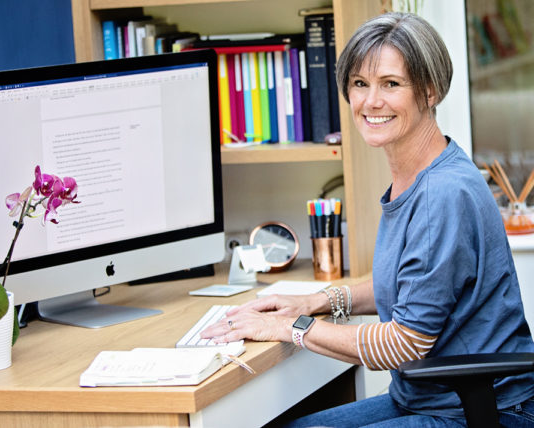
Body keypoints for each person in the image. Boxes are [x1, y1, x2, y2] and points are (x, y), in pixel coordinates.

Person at [201, 12, 534, 427]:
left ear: (429, 90)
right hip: (433, 399)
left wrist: (290, 326)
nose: (370, 101)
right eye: (360, 84)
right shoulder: (424, 171)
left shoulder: (440, 194)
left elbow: (402, 346)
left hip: (487, 411)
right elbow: (416, 284)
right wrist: (320, 301)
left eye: (391, 84)